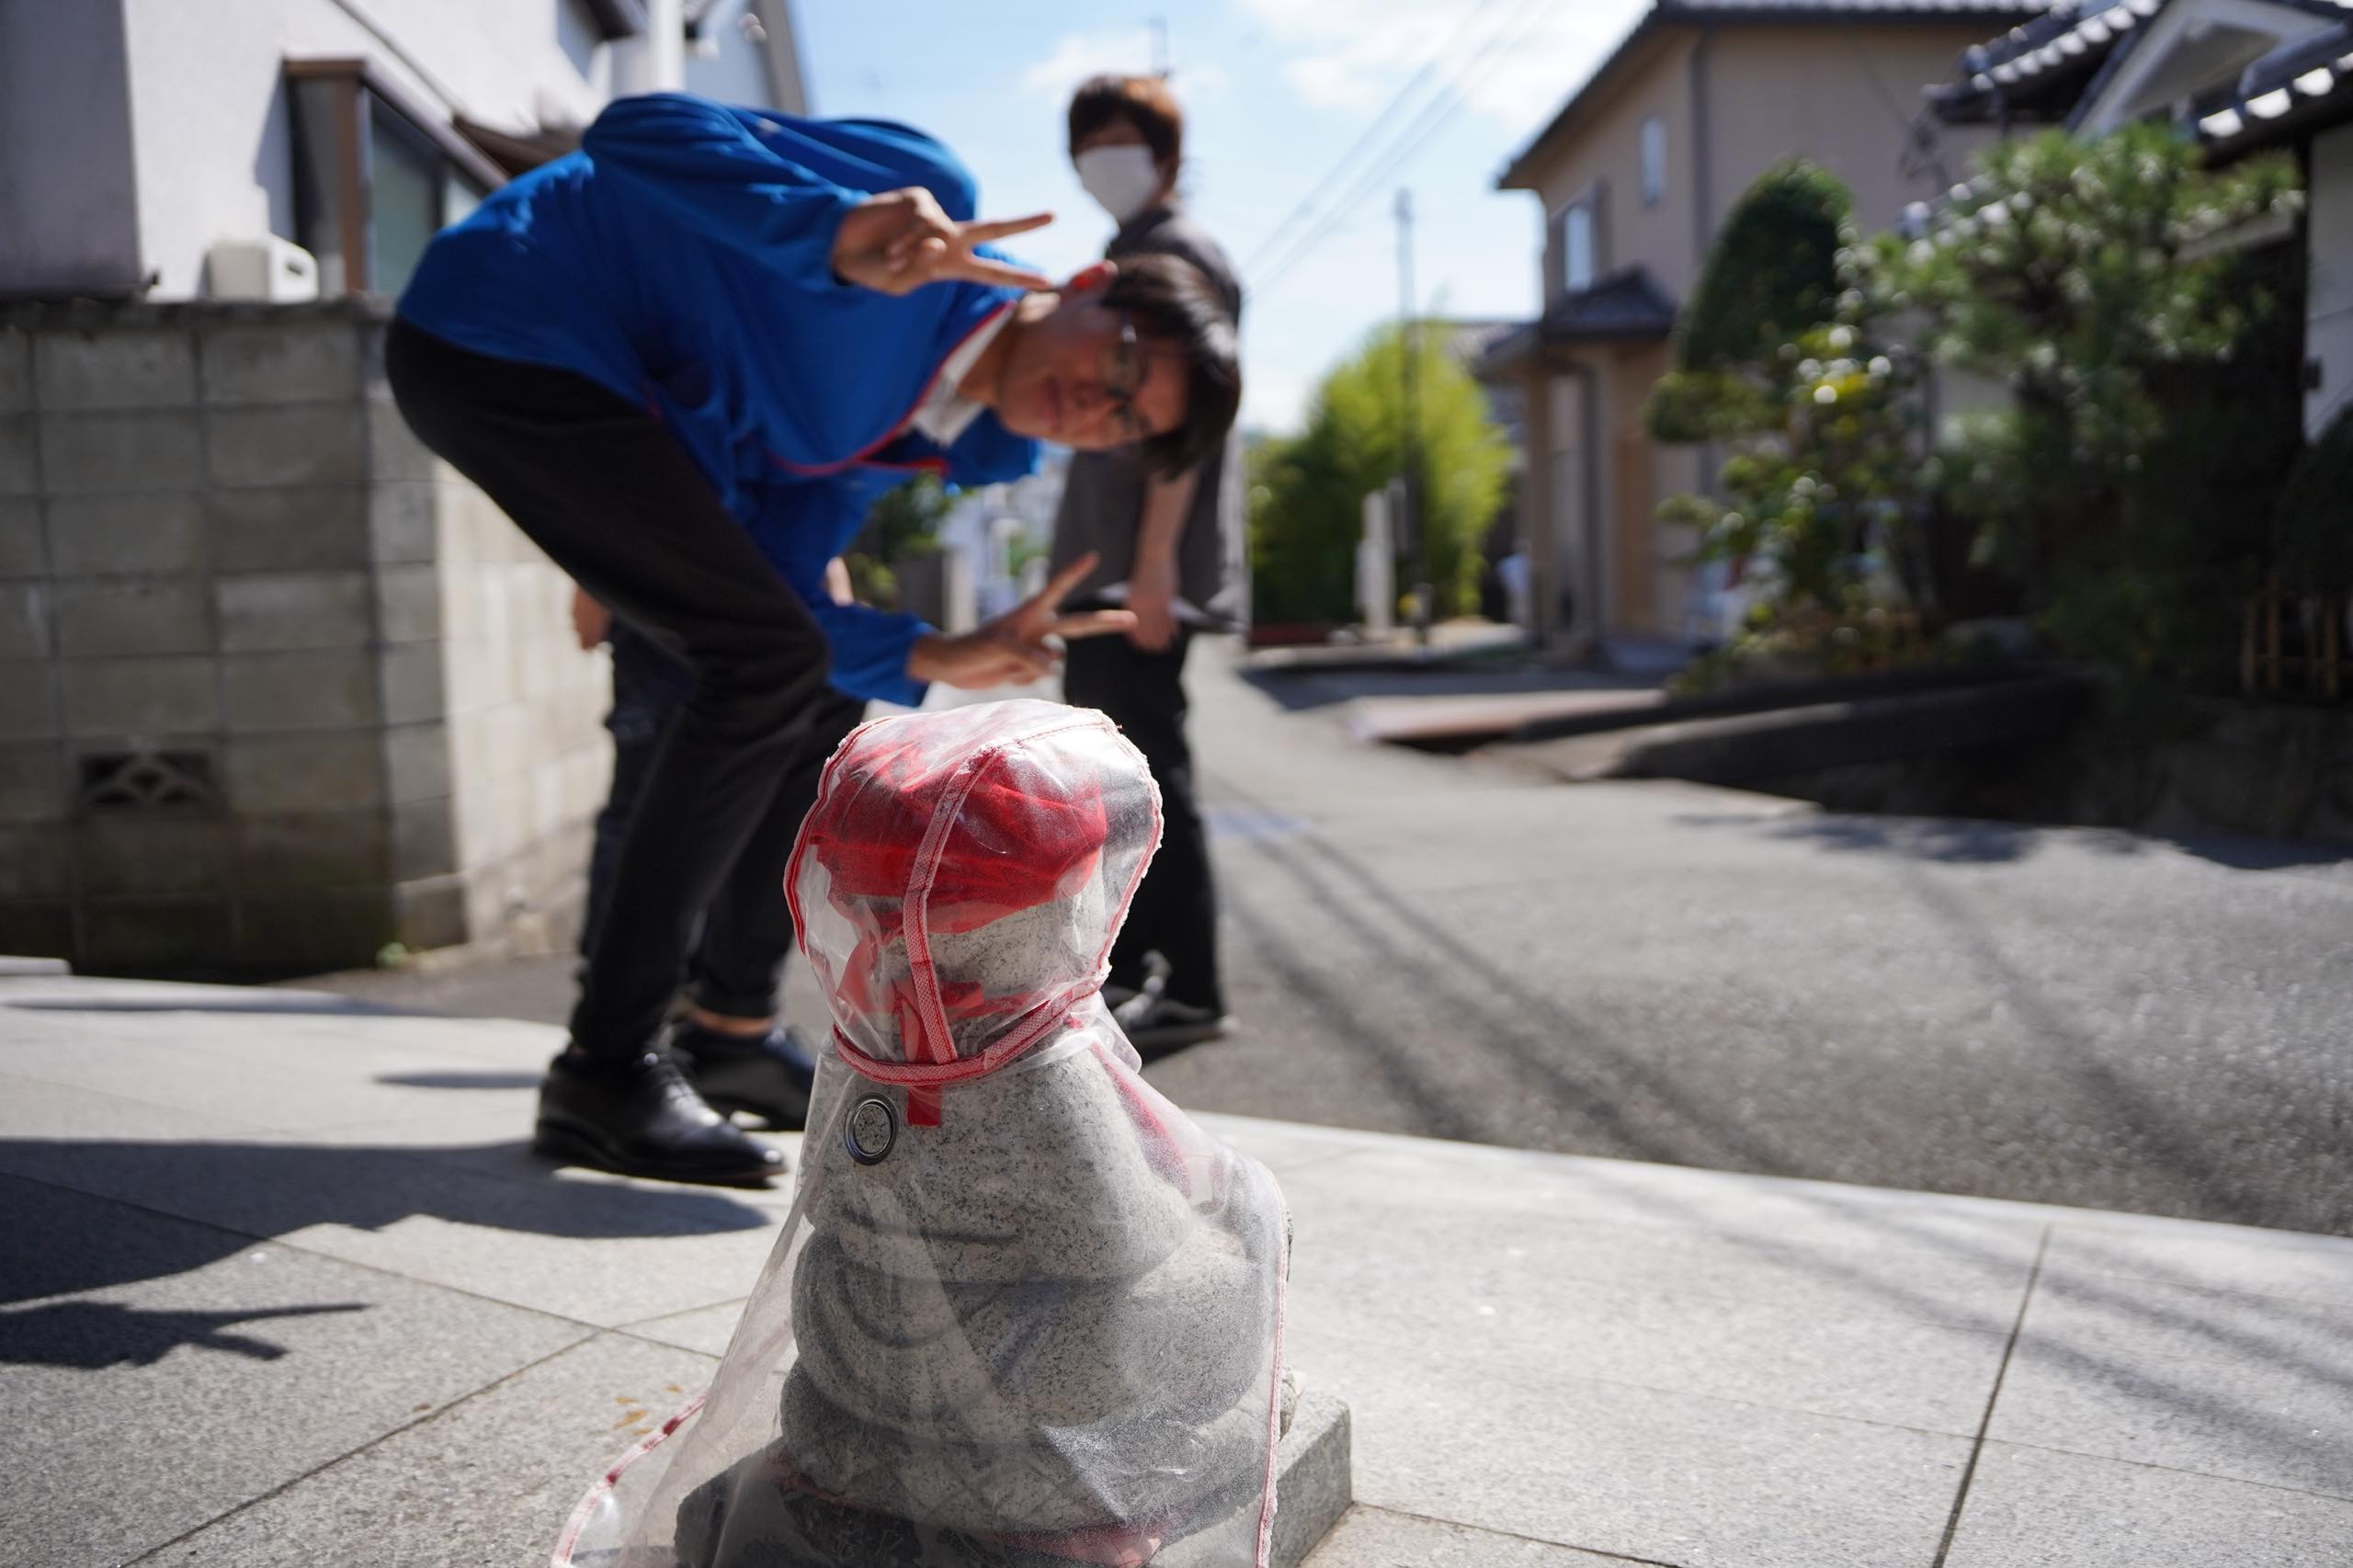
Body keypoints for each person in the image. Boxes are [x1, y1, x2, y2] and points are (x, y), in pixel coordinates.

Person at [386, 91, 1240, 1187]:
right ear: (1082, 286)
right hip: (507, 321)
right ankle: (603, 1066)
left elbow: (792, 608)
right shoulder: (924, 194)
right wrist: (828, 230)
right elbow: (634, 131)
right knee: (763, 664)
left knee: (806, 687)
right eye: (1120, 362)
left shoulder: (910, 441)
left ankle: (730, 1030)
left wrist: (934, 655)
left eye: (1125, 423)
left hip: (605, 404)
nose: (1093, 404)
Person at [1050, 75, 1246, 1054]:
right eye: (1087, 145)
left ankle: (1189, 983)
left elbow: (1192, 418)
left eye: (1121, 142)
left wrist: (1157, 559)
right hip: (1116, 562)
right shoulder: (1127, 253)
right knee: (1119, 777)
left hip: (1137, 572)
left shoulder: (1174, 255)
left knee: (1140, 777)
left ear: (1166, 154)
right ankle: (1134, 973)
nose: (1102, 162)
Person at [568, 556, 863, 1134]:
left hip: (777, 601)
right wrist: (595, 577)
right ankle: (608, 1055)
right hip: (671, 614)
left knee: (797, 767)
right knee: (651, 810)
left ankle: (732, 1032)